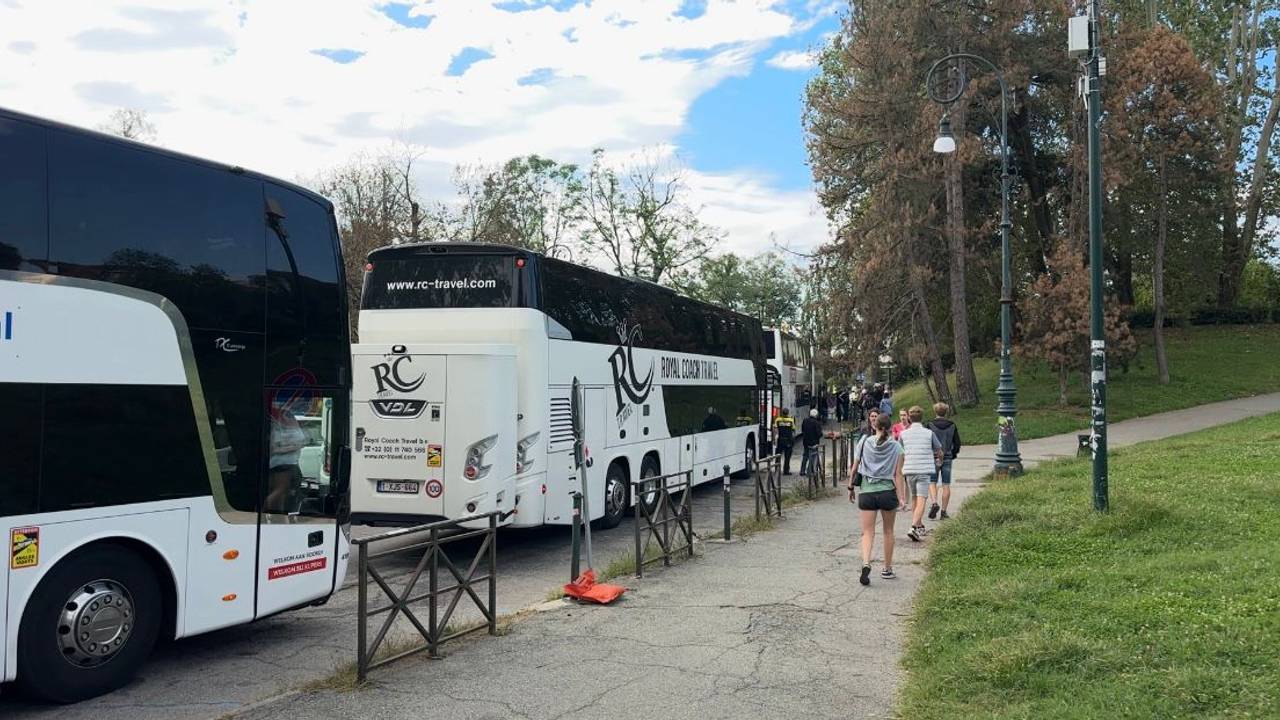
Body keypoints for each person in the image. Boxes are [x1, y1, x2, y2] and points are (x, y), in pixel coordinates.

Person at [848, 413, 906, 585]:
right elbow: (898, 474)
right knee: (888, 531)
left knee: (867, 532)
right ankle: (887, 569)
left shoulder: (864, 442)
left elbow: (855, 466)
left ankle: (866, 563)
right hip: (887, 492)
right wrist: (901, 497)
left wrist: (851, 487)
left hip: (867, 492)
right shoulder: (896, 447)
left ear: (874, 426)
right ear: (889, 428)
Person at [901, 405, 943, 541]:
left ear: (909, 418)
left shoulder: (903, 434)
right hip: (924, 470)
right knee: (922, 499)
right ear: (922, 417)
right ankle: (913, 526)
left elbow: (900, 451)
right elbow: (939, 450)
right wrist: (939, 462)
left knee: (914, 498)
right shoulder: (929, 433)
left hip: (909, 470)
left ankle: (918, 526)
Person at [926, 402, 962, 520]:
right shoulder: (952, 425)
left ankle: (934, 503)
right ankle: (944, 511)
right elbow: (957, 442)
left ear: (935, 412)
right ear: (946, 412)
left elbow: (927, 441)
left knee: (932, 481)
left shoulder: (930, 425)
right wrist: (954, 453)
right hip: (947, 455)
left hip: (933, 456)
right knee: (946, 484)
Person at [799, 408, 823, 477]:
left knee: (805, 456)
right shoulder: (817, 423)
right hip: (814, 442)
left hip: (806, 441)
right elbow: (819, 433)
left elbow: (803, 429)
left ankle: (802, 471)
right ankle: (809, 472)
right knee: (813, 457)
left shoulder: (805, 421)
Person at [774, 407, 797, 474]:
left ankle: (777, 470)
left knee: (778, 456)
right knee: (787, 457)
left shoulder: (778, 420)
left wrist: (774, 439)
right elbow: (793, 430)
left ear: (782, 412)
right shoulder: (791, 420)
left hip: (780, 440)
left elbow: (775, 429)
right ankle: (786, 471)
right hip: (788, 441)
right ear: (788, 413)